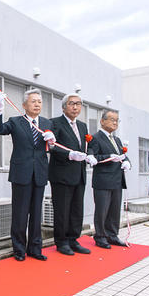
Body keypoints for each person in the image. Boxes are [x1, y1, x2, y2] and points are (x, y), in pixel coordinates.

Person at [0, 89, 56, 262]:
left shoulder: (46, 123)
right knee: (20, 214)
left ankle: (35, 248)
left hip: (40, 174)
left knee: (36, 214)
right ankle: (19, 249)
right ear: (24, 105)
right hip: (21, 173)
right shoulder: (15, 121)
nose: (37, 104)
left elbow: (52, 148)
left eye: (40, 102)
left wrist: (52, 142)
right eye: (33, 101)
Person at [49, 93, 94, 256]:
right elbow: (52, 147)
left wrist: (90, 155)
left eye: (78, 104)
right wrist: (69, 155)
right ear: (63, 107)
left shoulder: (82, 126)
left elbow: (87, 146)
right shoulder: (54, 123)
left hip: (79, 174)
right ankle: (61, 242)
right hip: (61, 174)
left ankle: (73, 239)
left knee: (76, 209)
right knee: (62, 210)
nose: (75, 107)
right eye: (72, 103)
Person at [88, 110, 131, 249]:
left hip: (117, 180)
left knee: (114, 210)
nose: (114, 122)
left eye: (117, 120)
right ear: (102, 121)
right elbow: (92, 157)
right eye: (112, 119)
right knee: (102, 210)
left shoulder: (117, 139)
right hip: (103, 180)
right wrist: (109, 157)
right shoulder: (95, 138)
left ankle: (112, 235)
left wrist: (127, 162)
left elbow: (123, 155)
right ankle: (100, 236)